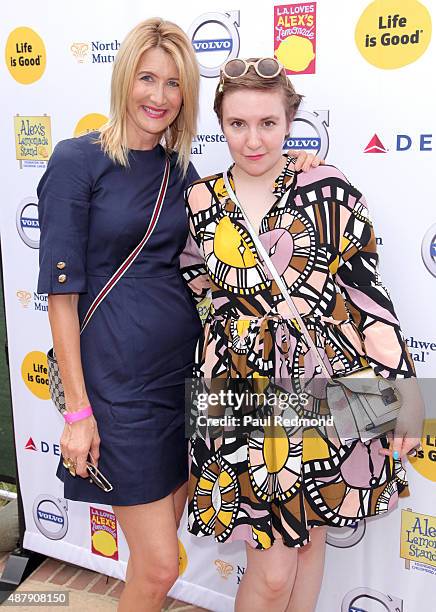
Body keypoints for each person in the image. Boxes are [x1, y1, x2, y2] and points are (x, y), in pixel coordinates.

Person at [37, 20, 321, 612]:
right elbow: (61, 298)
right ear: (124, 80)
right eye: (147, 78)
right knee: (161, 565)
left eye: (173, 84)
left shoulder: (181, 173)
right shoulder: (76, 162)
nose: (159, 97)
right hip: (118, 391)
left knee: (158, 556)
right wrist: (78, 410)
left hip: (186, 384)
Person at [182, 58, 423, 612]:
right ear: (220, 124)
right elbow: (197, 287)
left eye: (268, 122)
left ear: (290, 121)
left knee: (311, 541)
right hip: (241, 393)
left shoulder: (329, 188)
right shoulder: (200, 201)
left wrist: (404, 397)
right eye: (237, 124)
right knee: (271, 572)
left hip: (326, 384)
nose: (253, 139)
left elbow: (368, 297)